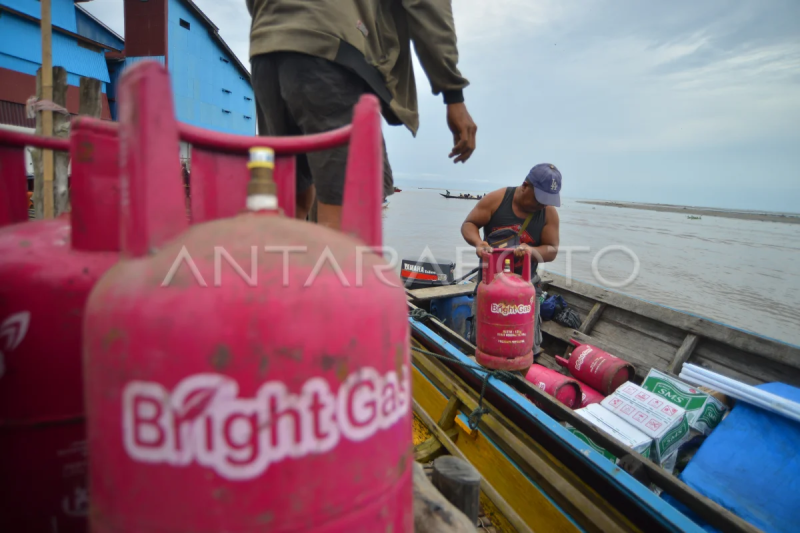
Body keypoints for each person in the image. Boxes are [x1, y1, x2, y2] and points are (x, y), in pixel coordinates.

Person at [246, 0, 478, 230]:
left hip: (265, 50)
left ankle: (286, 263)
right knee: (343, 215)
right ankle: (327, 263)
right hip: (330, 49)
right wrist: (453, 93)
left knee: (292, 200)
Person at [461, 163, 562, 359]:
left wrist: (530, 251)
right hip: (490, 283)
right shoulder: (496, 200)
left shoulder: (548, 213)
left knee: (525, 347)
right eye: (539, 199)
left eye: (547, 200)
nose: (542, 205)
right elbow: (469, 224)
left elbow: (552, 250)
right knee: (483, 342)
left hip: (526, 288)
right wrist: (478, 243)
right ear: (525, 185)